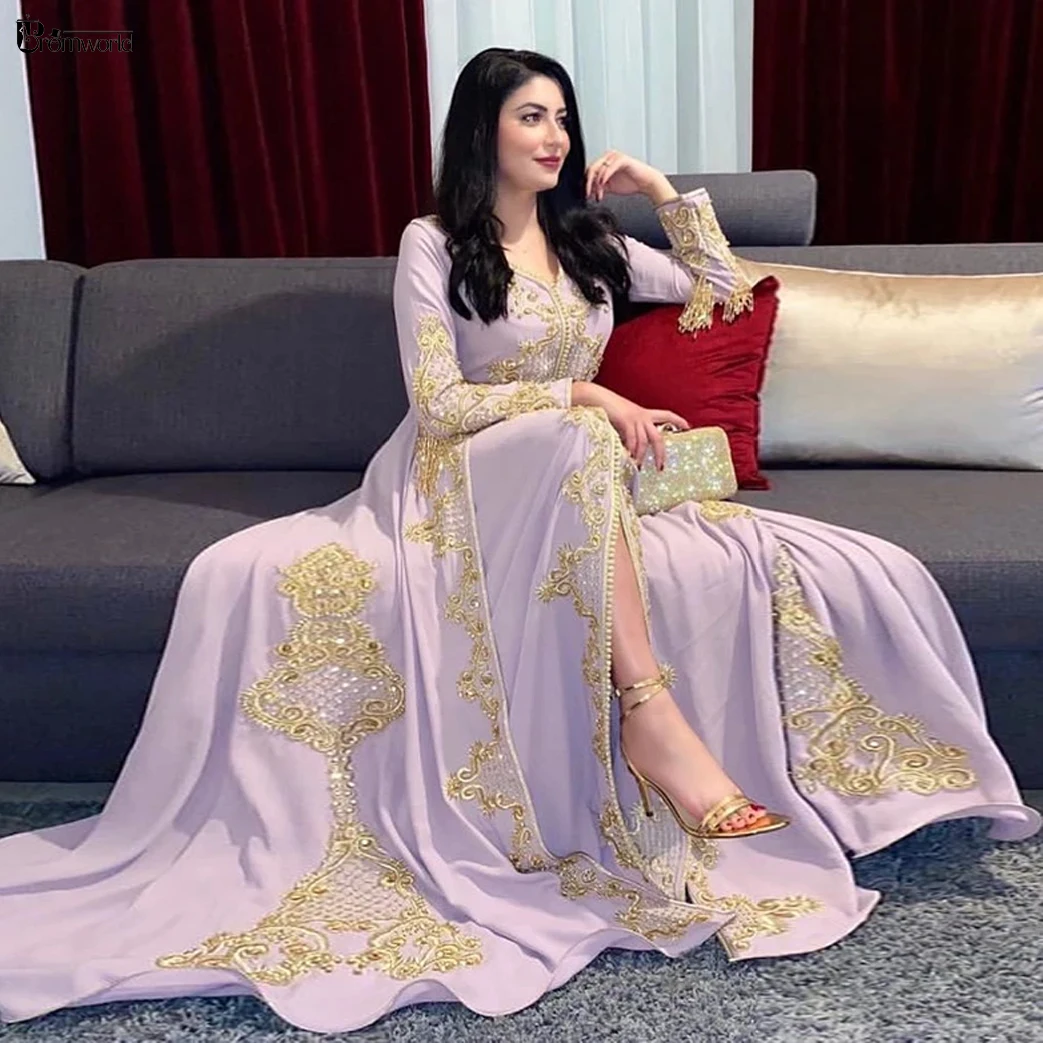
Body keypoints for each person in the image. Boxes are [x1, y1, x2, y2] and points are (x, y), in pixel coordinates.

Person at [0, 46, 1037, 1034]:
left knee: (589, 445)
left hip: (569, 468)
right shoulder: (432, 243)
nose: (553, 136)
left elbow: (727, 290)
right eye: (529, 117)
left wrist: (664, 194)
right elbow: (439, 403)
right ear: (481, 132)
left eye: (561, 118)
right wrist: (585, 393)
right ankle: (651, 714)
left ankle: (647, 716)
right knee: (580, 430)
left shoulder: (591, 243)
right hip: (455, 471)